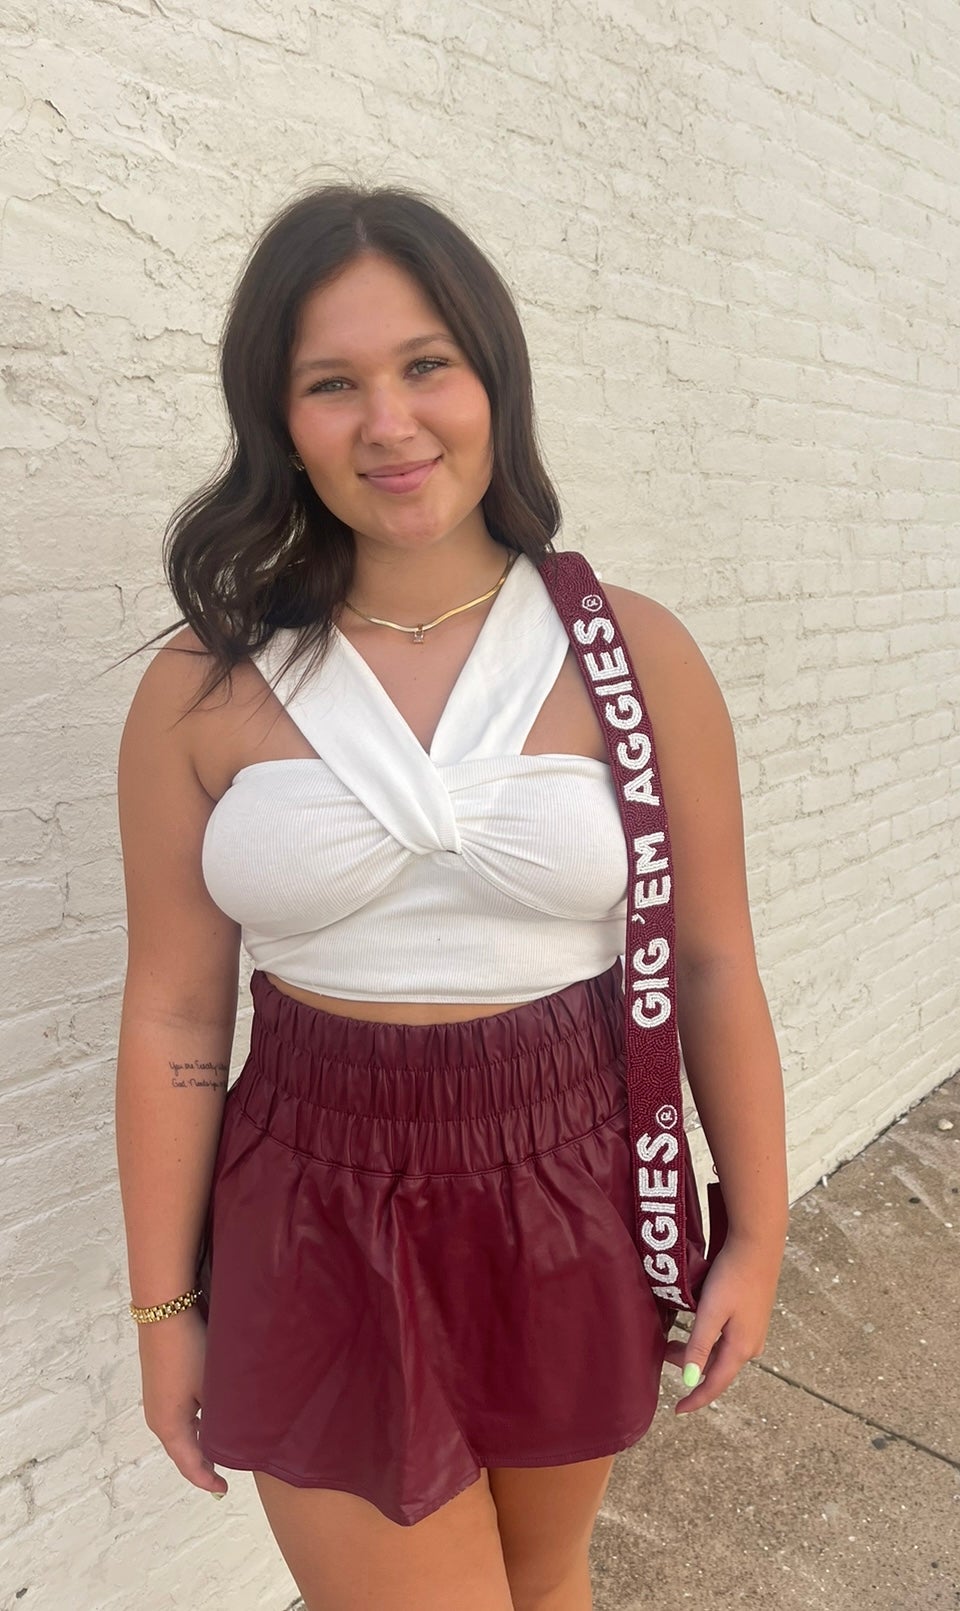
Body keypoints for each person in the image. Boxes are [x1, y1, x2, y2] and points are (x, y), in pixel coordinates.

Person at [113, 183, 788, 1611]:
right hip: (312, 1194)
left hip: (567, 1173)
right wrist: (166, 1309)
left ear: (493, 378)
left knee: (543, 1585)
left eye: (427, 365)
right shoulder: (203, 684)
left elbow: (716, 962)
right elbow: (175, 1008)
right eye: (332, 383)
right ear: (278, 420)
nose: (391, 422)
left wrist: (760, 1232)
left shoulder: (632, 653)